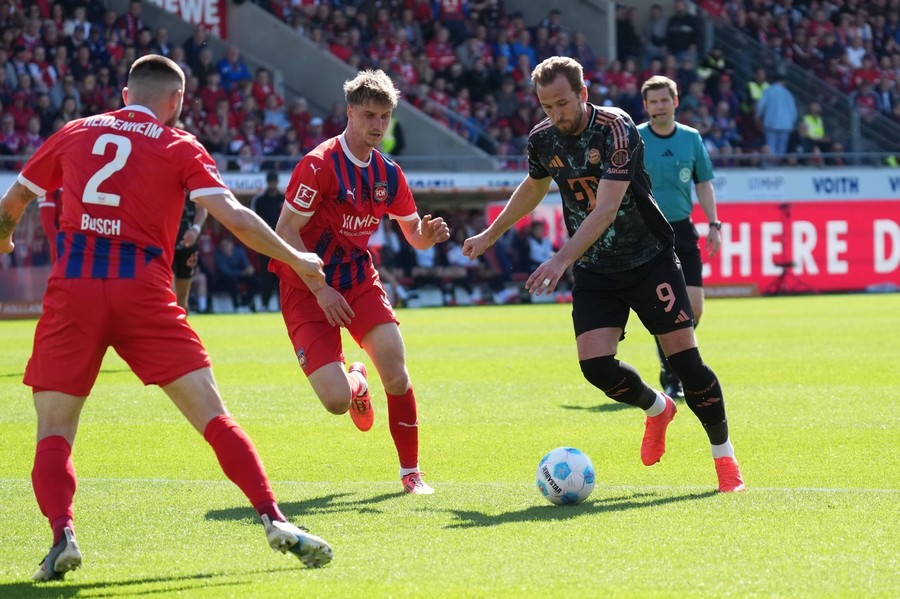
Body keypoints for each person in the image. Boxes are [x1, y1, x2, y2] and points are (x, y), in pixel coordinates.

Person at [0, 54, 333, 581]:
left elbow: (14, 199)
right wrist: (296, 258)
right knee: (213, 414)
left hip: (75, 291)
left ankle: (62, 534)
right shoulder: (180, 144)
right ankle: (274, 520)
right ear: (176, 101)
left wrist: (4, 236)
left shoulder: (74, 131)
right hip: (144, 293)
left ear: (126, 93)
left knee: (54, 430)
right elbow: (237, 219)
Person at [462, 56, 744, 493]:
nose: (555, 115)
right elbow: (534, 187)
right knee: (595, 367)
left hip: (649, 259)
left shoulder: (617, 128)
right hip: (596, 268)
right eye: (546, 106)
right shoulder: (542, 138)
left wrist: (559, 260)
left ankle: (726, 462)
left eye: (562, 103)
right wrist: (490, 233)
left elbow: (607, 208)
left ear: (583, 94)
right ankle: (657, 409)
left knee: (686, 362)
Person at [270, 69, 449, 495]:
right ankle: (354, 382)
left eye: (385, 117)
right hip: (305, 288)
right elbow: (285, 231)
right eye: (369, 114)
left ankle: (411, 474)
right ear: (350, 112)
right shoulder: (318, 165)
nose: (378, 126)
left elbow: (413, 235)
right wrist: (319, 288)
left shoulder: (389, 174)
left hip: (357, 279)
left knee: (397, 371)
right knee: (336, 402)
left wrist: (427, 235)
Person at [638, 75, 722, 400]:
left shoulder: (691, 138)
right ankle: (673, 373)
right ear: (645, 106)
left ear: (675, 101)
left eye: (664, 100)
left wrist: (714, 224)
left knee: (695, 309)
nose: (659, 106)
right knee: (667, 309)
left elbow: (703, 183)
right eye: (653, 101)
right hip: (647, 232)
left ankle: (668, 363)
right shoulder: (635, 138)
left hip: (682, 230)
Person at [250, 170, 284, 311]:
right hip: (265, 242)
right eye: (270, 182)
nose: (272, 184)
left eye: (274, 182)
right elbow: (253, 220)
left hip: (282, 242)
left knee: (282, 275)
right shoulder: (259, 200)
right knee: (266, 275)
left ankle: (282, 306)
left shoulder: (284, 198)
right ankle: (264, 304)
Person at [173, 193, 209, 313]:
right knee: (170, 294)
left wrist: (195, 229)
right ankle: (169, 328)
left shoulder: (189, 183)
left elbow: (202, 209)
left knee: (182, 299)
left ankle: (181, 328)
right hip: (166, 244)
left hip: (188, 245)